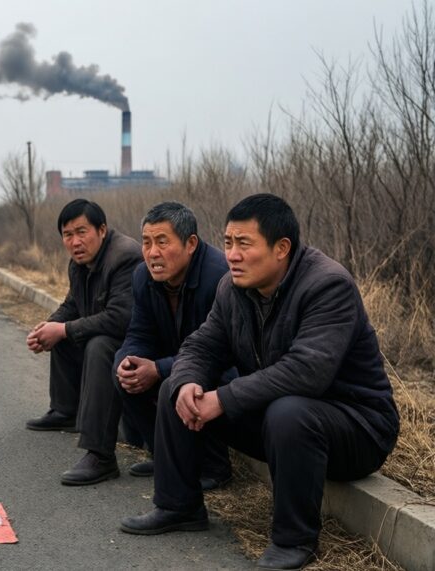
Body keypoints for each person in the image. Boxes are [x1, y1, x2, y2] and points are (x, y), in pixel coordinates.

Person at [120, 194, 399, 570]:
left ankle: (294, 541)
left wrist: (224, 398)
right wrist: (188, 381)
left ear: (281, 248)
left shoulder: (327, 285)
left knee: (290, 410)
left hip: (356, 429)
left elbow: (306, 372)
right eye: (228, 242)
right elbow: (201, 346)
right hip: (279, 425)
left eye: (244, 244)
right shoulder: (232, 289)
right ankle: (178, 506)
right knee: (176, 386)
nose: (231, 255)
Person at [113, 202, 232, 490]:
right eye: (147, 242)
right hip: (177, 358)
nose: (153, 253)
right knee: (123, 367)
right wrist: (130, 360)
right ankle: (164, 454)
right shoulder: (143, 276)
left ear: (191, 243)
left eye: (162, 242)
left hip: (222, 367)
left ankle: (215, 467)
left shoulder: (219, 278)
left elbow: (220, 351)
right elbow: (139, 331)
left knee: (196, 382)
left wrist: (159, 368)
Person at [26, 198, 142, 485]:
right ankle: (66, 411)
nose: (75, 241)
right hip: (114, 337)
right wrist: (48, 328)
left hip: (139, 345)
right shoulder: (79, 263)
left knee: (97, 344)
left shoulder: (126, 257)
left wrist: (63, 329)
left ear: (101, 230)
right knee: (66, 331)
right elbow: (72, 305)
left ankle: (100, 455)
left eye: (82, 232)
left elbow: (121, 318)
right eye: (68, 235)